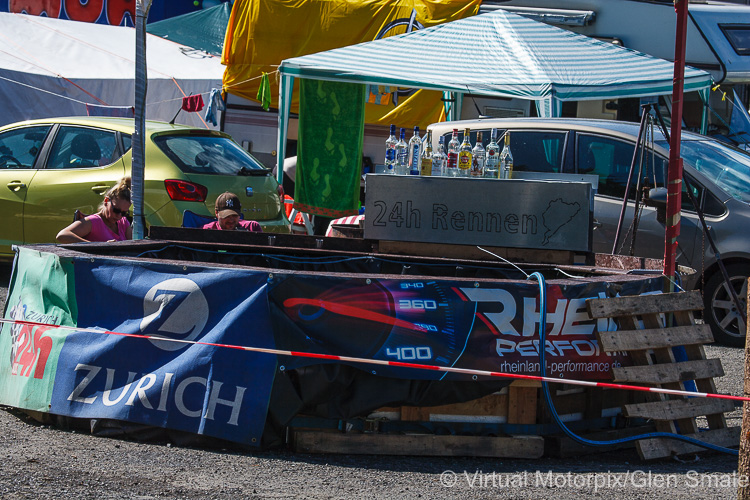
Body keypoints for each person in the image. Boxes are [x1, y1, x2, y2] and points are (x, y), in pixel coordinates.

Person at [56, 176, 132, 243]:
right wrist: (97, 246)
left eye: (124, 213)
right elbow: (62, 235)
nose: (119, 216)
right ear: (106, 201)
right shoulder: (93, 222)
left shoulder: (123, 223)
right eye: (116, 210)